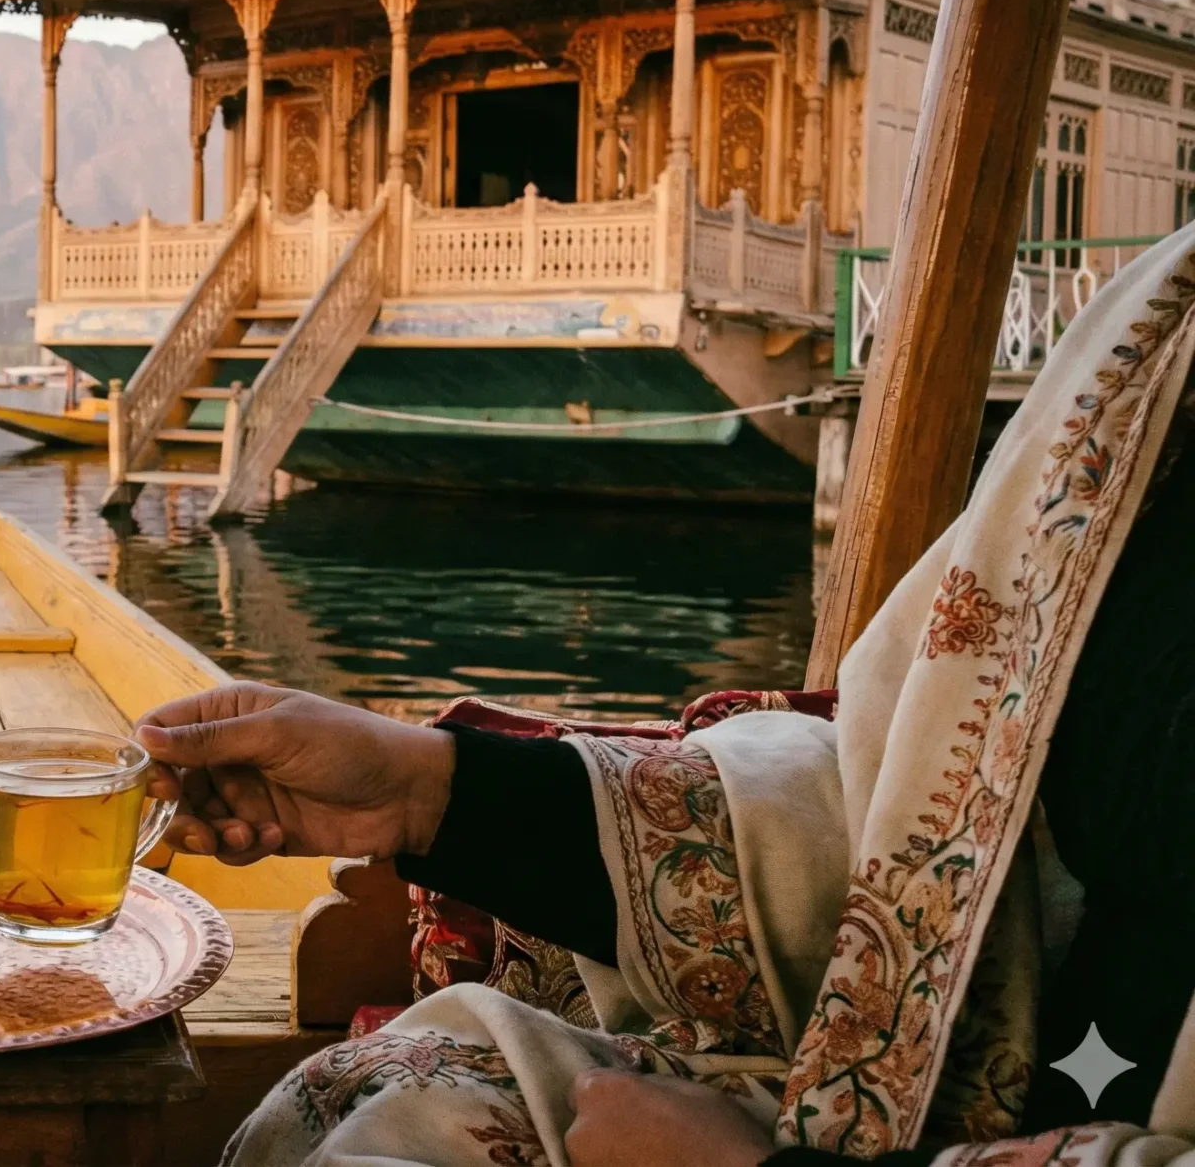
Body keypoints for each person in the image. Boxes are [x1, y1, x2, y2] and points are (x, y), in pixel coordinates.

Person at [139, 235, 1195, 1152]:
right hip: (981, 1078)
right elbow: (941, 814)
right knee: (368, 1097)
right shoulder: (1163, 337)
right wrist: (425, 794)